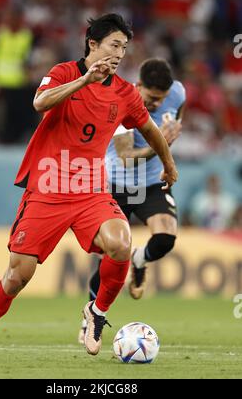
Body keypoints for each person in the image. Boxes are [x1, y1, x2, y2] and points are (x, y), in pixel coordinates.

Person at [0, 14, 177, 362]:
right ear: (93, 44)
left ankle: (96, 313)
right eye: (114, 45)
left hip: (91, 191)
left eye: (124, 48)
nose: (120, 53)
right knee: (17, 277)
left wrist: (168, 163)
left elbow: (149, 129)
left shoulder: (125, 93)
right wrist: (86, 80)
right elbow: (40, 103)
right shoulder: (63, 73)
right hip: (48, 189)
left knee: (120, 242)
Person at [79, 58, 185, 343]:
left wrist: (168, 149)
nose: (155, 105)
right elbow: (126, 158)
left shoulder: (178, 93)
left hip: (151, 184)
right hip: (116, 184)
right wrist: (160, 143)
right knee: (111, 259)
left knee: (165, 239)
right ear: (138, 86)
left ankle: (139, 260)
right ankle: (89, 319)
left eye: (160, 99)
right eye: (151, 99)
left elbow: (177, 115)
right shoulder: (119, 102)